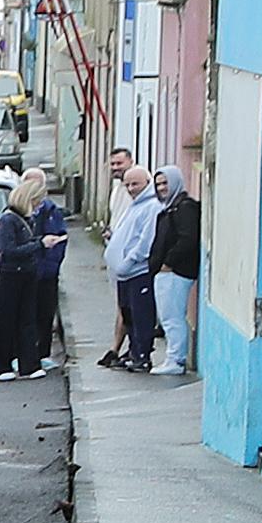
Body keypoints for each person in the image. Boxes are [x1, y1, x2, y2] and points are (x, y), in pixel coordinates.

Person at [0, 171, 63, 381]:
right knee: (5, 321)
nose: (38, 207)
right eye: (37, 202)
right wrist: (40, 244)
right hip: (11, 275)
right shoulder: (9, 219)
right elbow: (8, 250)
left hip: (28, 273)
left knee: (28, 320)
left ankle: (29, 364)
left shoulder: (26, 219)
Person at [103, 158, 166, 371]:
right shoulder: (136, 205)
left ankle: (142, 356)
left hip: (137, 271)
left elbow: (145, 241)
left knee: (141, 316)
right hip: (125, 273)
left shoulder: (152, 206)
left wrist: (128, 261)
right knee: (128, 314)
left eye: (135, 184)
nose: (130, 189)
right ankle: (133, 352)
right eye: (127, 185)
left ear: (147, 182)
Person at [155, 185, 204, 376]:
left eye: (165, 183)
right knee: (169, 318)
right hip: (169, 271)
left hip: (176, 272)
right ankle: (172, 357)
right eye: (158, 184)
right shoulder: (171, 208)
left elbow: (188, 238)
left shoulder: (184, 208)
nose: (161, 188)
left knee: (172, 317)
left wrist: (168, 262)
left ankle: (176, 359)